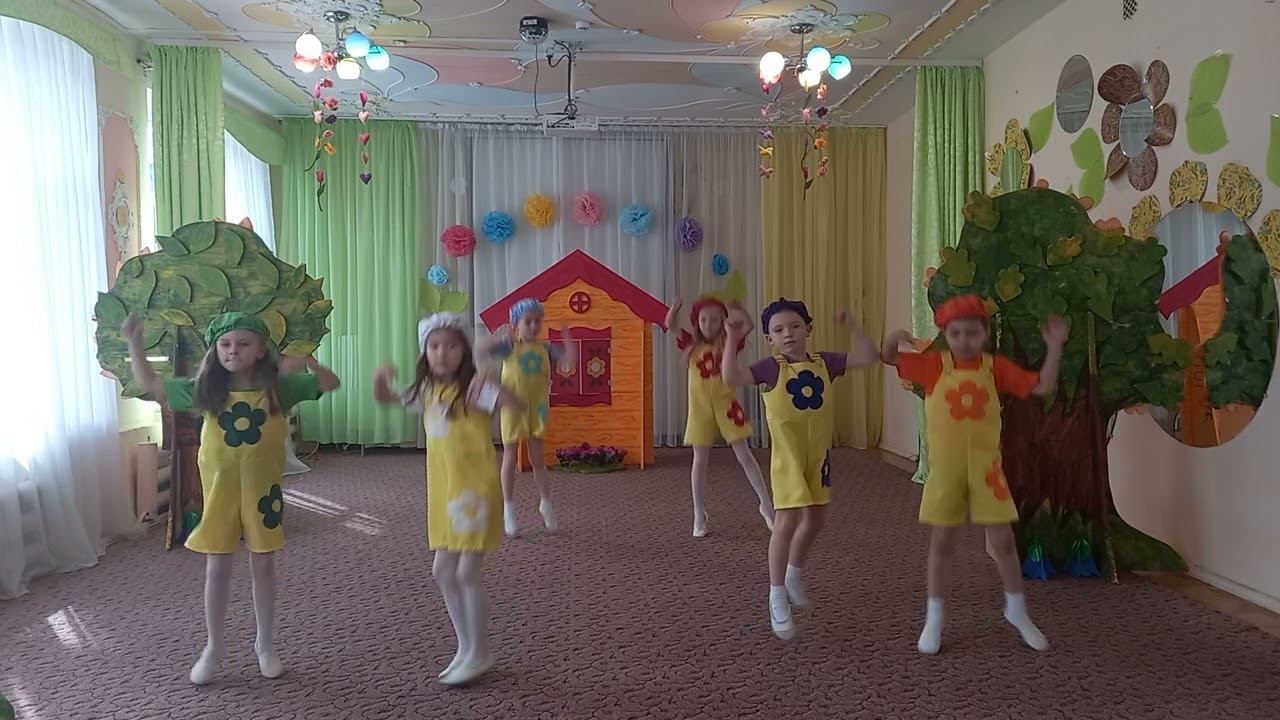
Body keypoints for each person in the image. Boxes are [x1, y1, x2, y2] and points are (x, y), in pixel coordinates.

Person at [122, 311, 340, 684]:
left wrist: (307, 358)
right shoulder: (206, 389)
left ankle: (265, 644)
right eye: (225, 344)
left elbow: (330, 383)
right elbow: (150, 384)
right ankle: (214, 646)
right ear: (216, 349)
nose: (233, 350)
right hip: (220, 493)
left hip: (262, 494)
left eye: (243, 343)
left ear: (261, 350)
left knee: (263, 566)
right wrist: (134, 342)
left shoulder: (280, 388)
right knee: (217, 568)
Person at [882, 294, 1067, 655]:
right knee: (942, 543)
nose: (964, 340)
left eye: (972, 332)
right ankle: (935, 617)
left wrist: (1055, 347)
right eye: (956, 333)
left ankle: (1016, 609)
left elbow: (1042, 386)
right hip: (946, 473)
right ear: (945, 335)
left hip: (987, 471)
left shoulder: (994, 368)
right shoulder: (933, 365)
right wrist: (895, 336)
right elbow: (888, 357)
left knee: (1004, 542)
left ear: (985, 333)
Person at [374, 312, 522, 686]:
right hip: (445, 493)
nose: (442, 353)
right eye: (435, 346)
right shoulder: (426, 390)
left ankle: (480, 650)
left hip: (474, 493)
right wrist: (380, 380)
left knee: (466, 573)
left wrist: (490, 375)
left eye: (452, 346)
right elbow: (388, 398)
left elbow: (516, 405)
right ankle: (466, 645)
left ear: (464, 352)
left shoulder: (474, 388)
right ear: (425, 352)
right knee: (442, 572)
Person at [721, 299, 879, 640]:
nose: (788, 334)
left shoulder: (825, 362)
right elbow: (731, 376)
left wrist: (853, 324)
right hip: (788, 460)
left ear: (808, 328)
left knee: (817, 520)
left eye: (795, 326)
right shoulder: (770, 368)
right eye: (778, 330)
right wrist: (732, 339)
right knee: (787, 521)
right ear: (770, 338)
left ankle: (793, 573)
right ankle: (776, 594)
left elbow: (868, 357)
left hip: (818, 457)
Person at [665, 295, 773, 537]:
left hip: (727, 406)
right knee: (699, 461)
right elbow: (670, 326)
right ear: (697, 322)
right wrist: (675, 309)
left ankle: (766, 505)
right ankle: (698, 513)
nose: (709, 324)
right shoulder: (690, 343)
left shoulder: (729, 342)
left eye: (715, 320)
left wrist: (737, 309)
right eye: (704, 320)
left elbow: (748, 325)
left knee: (744, 455)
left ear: (723, 321)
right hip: (700, 409)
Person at [484, 298, 575, 537]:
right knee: (510, 456)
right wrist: (500, 336)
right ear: (516, 325)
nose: (534, 326)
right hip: (513, 408)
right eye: (528, 322)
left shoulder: (546, 349)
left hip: (538, 409)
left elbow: (569, 361)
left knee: (538, 459)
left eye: (537, 321)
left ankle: (546, 502)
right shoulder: (510, 347)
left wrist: (567, 337)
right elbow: (484, 350)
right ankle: (508, 509)